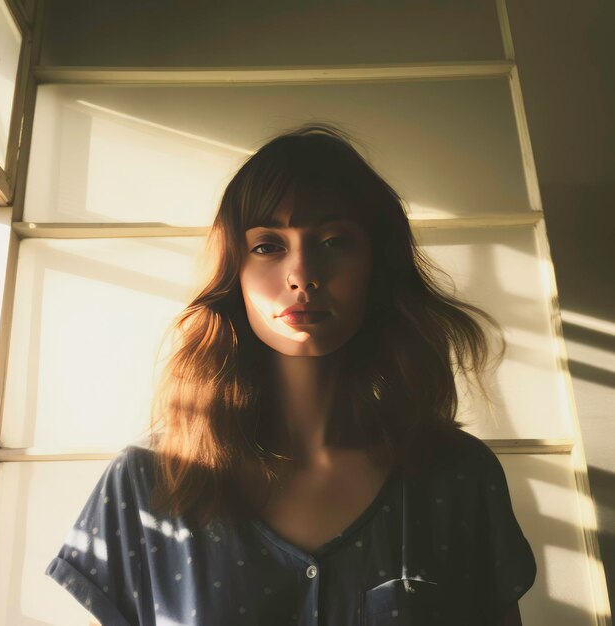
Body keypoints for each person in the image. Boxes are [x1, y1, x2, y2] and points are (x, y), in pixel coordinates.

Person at [45, 123, 537, 625]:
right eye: (267, 246)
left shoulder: (458, 477)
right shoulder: (148, 483)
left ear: (376, 264)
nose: (302, 273)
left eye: (333, 241)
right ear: (233, 271)